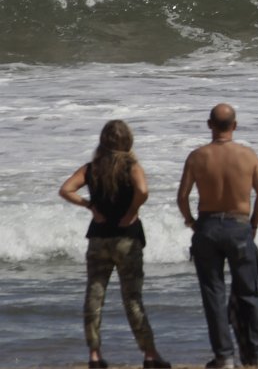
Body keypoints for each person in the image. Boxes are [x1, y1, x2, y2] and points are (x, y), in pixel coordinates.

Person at [59, 120, 171, 369]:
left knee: (94, 296)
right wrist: (132, 211)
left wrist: (90, 206)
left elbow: (66, 189)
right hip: (126, 238)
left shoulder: (93, 168)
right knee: (132, 298)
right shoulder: (131, 166)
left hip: (98, 238)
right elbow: (142, 190)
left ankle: (95, 356)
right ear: (128, 141)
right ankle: (150, 355)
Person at [177, 104, 258, 369]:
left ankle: (224, 357)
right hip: (239, 227)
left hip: (207, 227)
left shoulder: (197, 157)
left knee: (213, 294)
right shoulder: (247, 155)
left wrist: (191, 222)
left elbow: (182, 197)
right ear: (235, 125)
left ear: (209, 125)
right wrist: (253, 224)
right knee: (249, 293)